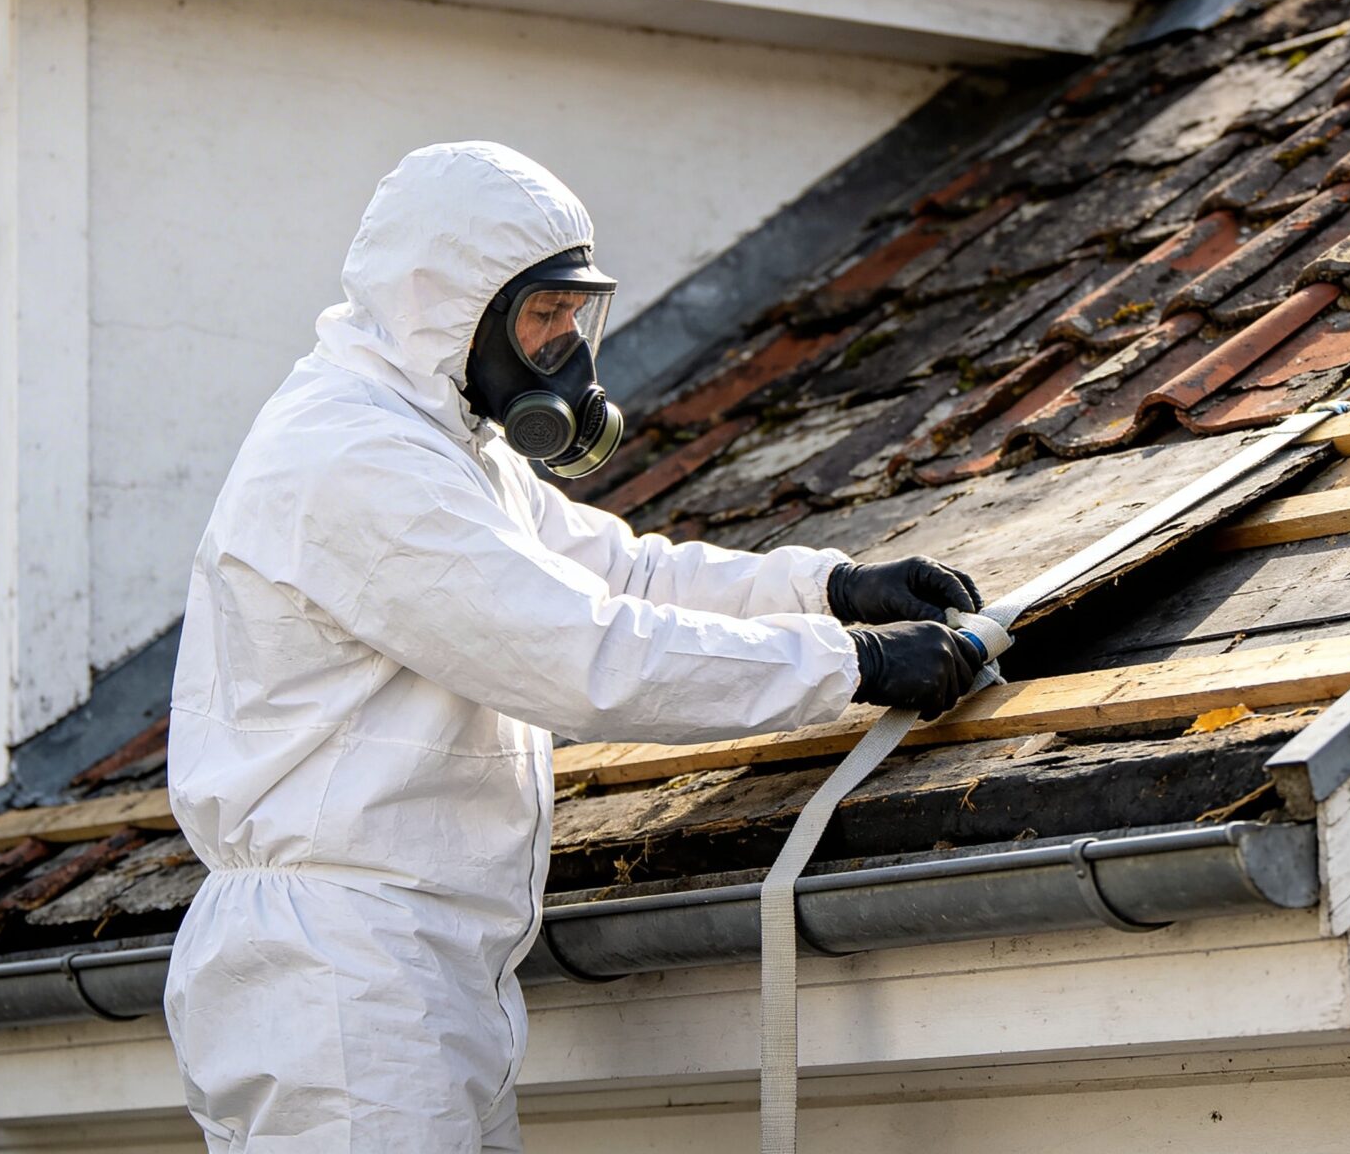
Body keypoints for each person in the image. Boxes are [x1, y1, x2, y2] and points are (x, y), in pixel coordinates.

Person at [162, 142, 989, 1152]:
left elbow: (622, 575)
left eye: (573, 315)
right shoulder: (355, 458)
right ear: (447, 304)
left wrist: (829, 587)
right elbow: (583, 654)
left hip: (409, 966)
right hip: (343, 981)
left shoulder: (445, 445)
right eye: (542, 316)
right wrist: (851, 665)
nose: (567, 351)